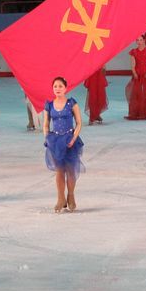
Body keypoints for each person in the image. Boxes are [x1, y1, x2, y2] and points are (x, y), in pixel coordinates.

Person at [44, 77, 84, 213]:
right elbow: (45, 124)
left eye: (60, 86)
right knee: (59, 170)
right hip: (55, 141)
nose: (57, 89)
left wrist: (73, 138)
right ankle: (60, 198)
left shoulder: (71, 103)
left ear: (65, 88)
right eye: (55, 86)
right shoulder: (49, 105)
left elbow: (79, 122)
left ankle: (71, 195)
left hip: (70, 140)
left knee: (70, 170)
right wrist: (47, 138)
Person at [126, 35, 146, 120]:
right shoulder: (134, 51)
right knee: (136, 93)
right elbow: (133, 64)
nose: (139, 42)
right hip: (137, 74)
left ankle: (144, 111)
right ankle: (136, 111)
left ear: (144, 40)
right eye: (137, 40)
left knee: (145, 93)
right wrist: (134, 73)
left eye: (141, 40)